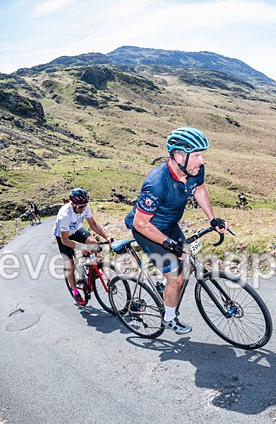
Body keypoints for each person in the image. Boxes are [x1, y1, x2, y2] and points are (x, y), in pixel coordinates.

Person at [125, 127, 227, 334]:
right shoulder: (156, 183)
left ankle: (163, 286)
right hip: (148, 230)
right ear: (179, 156)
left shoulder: (194, 170)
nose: (202, 161)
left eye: (202, 155)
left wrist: (212, 217)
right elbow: (141, 224)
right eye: (197, 155)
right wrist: (168, 243)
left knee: (187, 264)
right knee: (177, 277)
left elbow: (199, 189)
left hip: (170, 225)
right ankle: (169, 319)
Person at [54, 188, 112, 305]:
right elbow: (65, 240)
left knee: (93, 243)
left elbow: (93, 224)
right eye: (81, 207)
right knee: (70, 264)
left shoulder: (85, 206)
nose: (84, 208)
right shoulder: (65, 214)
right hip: (63, 236)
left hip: (76, 229)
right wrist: (80, 247)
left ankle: (89, 268)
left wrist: (106, 237)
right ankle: (75, 291)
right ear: (72, 204)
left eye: (85, 205)